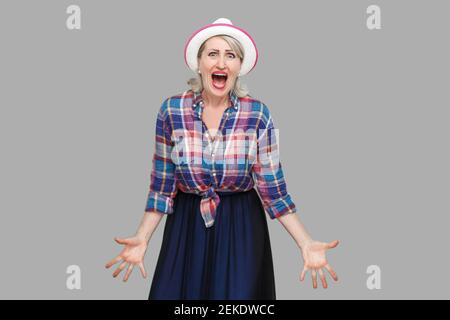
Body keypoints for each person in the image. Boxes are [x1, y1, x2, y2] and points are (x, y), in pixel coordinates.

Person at [105, 18, 339, 299]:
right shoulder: (171, 110)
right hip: (186, 223)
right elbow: (162, 185)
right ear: (199, 62)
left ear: (239, 66)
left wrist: (305, 242)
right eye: (213, 54)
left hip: (242, 224)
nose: (221, 63)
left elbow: (273, 189)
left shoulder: (258, 114)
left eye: (231, 55)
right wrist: (142, 237)